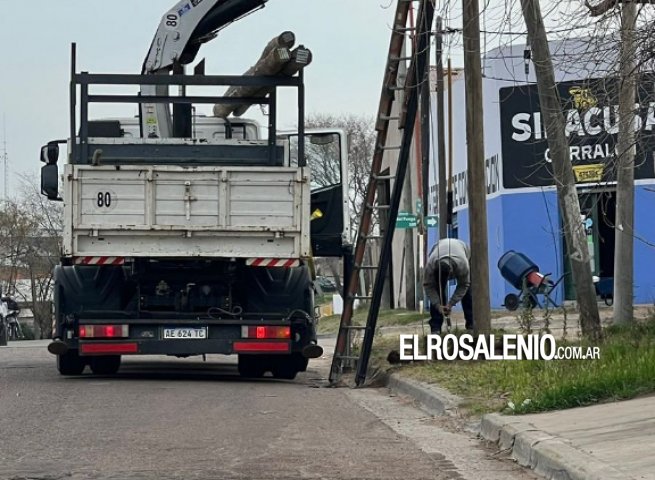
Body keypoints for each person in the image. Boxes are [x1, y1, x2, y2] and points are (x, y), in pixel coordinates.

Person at [423, 238, 473, 334]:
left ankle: (471, 323)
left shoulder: (462, 264)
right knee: (437, 289)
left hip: (462, 249)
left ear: (451, 273)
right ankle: (435, 327)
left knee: (468, 291)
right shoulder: (430, 264)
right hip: (438, 248)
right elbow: (428, 286)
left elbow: (464, 285)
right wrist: (438, 305)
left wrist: (450, 304)